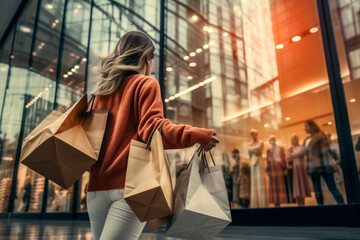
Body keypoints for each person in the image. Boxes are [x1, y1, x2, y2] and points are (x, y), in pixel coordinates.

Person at [86, 31, 220, 240]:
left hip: (95, 191)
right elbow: (153, 130)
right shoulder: (145, 84)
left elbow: (88, 143)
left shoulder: (99, 94)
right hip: (130, 189)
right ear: (148, 58)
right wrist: (196, 134)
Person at [289, 120, 344, 206]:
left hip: (324, 166)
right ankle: (321, 210)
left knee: (332, 188)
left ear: (312, 126)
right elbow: (303, 151)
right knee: (317, 191)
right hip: (313, 168)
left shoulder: (321, 136)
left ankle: (343, 207)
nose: (305, 128)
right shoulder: (306, 139)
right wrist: (292, 155)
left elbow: (330, 148)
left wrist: (337, 159)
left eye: (307, 126)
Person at [288, 135, 311, 206]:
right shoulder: (290, 148)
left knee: (301, 185)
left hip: (301, 168)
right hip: (294, 169)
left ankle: (302, 204)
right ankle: (298, 204)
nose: (294, 140)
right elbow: (289, 157)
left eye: (296, 138)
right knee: (296, 186)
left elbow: (301, 155)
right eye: (293, 139)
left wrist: (293, 155)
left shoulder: (301, 147)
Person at [266, 135, 288, 207]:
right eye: (271, 140)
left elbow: (283, 158)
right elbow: (268, 162)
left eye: (273, 139)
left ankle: (280, 202)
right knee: (273, 186)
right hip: (272, 170)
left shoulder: (280, 149)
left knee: (279, 185)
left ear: (275, 140)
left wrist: (285, 168)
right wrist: (268, 170)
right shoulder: (269, 151)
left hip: (279, 168)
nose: (272, 141)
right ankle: (275, 203)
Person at [248, 129, 266, 208]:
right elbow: (250, 152)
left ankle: (262, 203)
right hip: (253, 162)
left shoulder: (261, 142)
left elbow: (259, 151)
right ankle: (255, 203)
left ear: (257, 134)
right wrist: (254, 150)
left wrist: (252, 150)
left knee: (260, 181)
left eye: (254, 133)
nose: (253, 135)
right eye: (251, 134)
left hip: (259, 161)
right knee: (254, 182)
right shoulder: (250, 143)